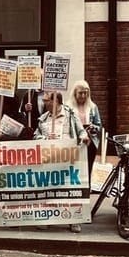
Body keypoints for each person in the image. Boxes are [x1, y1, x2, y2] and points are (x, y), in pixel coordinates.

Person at [34, 91, 89, 233]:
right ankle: (47, 219)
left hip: (68, 158)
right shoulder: (43, 119)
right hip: (50, 160)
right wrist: (46, 140)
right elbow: (36, 136)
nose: (45, 103)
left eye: (47, 101)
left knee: (70, 190)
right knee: (49, 190)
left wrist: (84, 137)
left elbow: (81, 130)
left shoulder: (70, 115)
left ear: (56, 102)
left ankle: (74, 220)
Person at [66, 80, 102, 179]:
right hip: (74, 141)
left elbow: (99, 125)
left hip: (90, 141)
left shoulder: (93, 107)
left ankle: (87, 186)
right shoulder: (68, 107)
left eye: (85, 93)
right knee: (75, 165)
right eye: (80, 93)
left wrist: (93, 127)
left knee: (88, 165)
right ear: (75, 93)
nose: (83, 96)